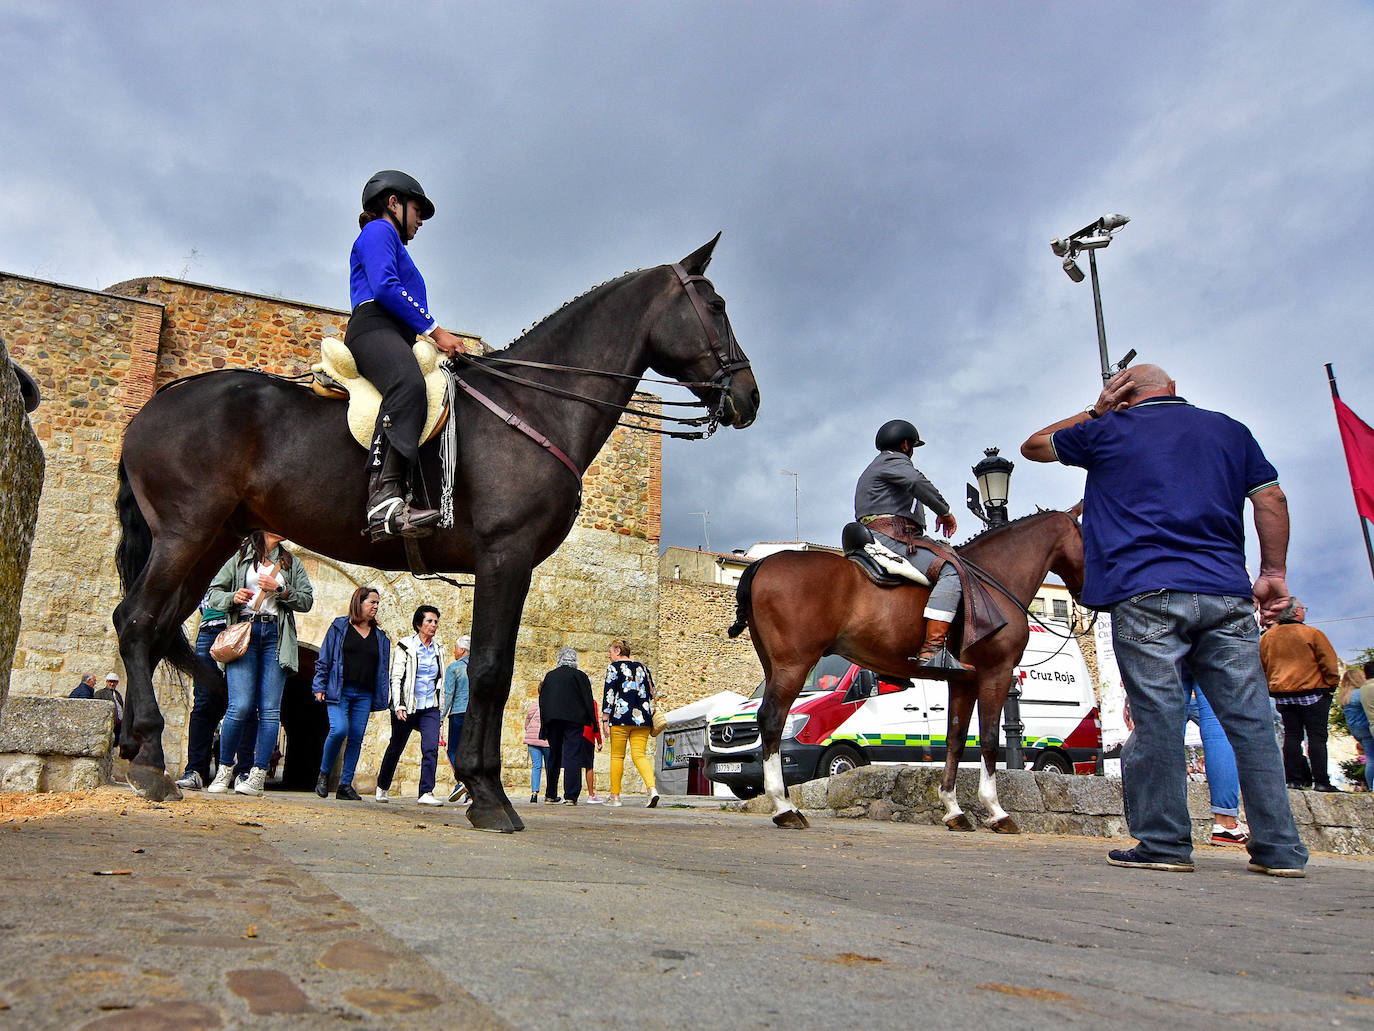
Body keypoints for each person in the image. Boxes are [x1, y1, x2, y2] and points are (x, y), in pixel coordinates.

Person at [1021, 363, 1308, 877]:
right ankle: (1280, 850)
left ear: (1124, 396)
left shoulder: (1108, 429)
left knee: (1158, 719)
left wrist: (1096, 409)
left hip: (1144, 591)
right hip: (1225, 592)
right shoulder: (1230, 430)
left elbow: (1035, 445)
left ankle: (1165, 844)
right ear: (1173, 390)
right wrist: (1273, 572)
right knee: (1252, 722)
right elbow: (1271, 497)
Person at [347, 170, 466, 540]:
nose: (419, 221)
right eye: (417, 210)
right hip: (374, 327)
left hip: (394, 332)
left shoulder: (391, 239)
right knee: (408, 384)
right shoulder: (379, 231)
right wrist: (436, 331)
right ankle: (383, 499)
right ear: (393, 203)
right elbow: (385, 286)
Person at [204, 532, 314, 797]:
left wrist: (281, 590)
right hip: (245, 633)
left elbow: (306, 600)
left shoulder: (291, 562)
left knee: (269, 710)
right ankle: (224, 767)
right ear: (263, 527)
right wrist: (233, 597)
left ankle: (258, 775)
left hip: (276, 636)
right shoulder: (241, 556)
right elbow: (213, 593)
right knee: (239, 706)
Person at [854, 419, 965, 673]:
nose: (912, 450)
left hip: (877, 533)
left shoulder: (875, 466)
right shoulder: (894, 461)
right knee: (951, 570)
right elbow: (917, 483)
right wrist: (945, 511)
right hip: (891, 537)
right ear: (905, 444)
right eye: (912, 446)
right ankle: (933, 649)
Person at [312, 586, 392, 801]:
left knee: (356, 738)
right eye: (372, 602)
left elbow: (383, 670)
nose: (376, 606)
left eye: (377, 603)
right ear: (359, 602)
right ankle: (324, 773)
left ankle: (345, 785)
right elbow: (324, 658)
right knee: (339, 730)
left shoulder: (381, 637)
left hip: (364, 694)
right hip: (339, 690)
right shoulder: (340, 627)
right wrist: (319, 686)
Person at [176, 594, 256, 791]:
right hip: (210, 626)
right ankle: (195, 771)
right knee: (203, 702)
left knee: (244, 703)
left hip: (241, 624)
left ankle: (243, 773)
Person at [1260, 599, 1340, 791]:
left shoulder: (1267, 638)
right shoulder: (1311, 633)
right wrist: (1331, 685)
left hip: (1282, 694)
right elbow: (1328, 663)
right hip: (1313, 691)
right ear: (1296, 612)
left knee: (1292, 735)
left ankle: (1293, 780)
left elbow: (1263, 665)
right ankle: (1321, 781)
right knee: (1317, 737)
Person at [376, 605, 446, 805]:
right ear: (419, 624)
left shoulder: (439, 649)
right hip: (407, 705)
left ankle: (426, 792)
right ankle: (382, 786)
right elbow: (396, 677)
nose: (433, 625)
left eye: (435, 622)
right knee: (396, 746)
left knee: (431, 747)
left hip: (429, 706)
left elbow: (440, 679)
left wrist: (440, 709)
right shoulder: (405, 646)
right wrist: (399, 705)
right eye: (429, 621)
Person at [601, 639, 660, 808]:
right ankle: (652, 790)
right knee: (639, 755)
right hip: (643, 719)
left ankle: (615, 797)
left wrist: (605, 719)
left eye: (611, 652)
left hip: (620, 717)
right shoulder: (643, 668)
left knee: (617, 756)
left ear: (618, 650)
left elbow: (609, 694)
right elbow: (653, 692)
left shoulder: (613, 668)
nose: (609, 655)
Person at [539, 647, 597, 805]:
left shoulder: (550, 676)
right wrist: (594, 724)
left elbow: (543, 701)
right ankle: (571, 796)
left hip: (553, 719)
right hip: (574, 720)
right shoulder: (580, 676)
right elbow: (588, 700)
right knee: (573, 755)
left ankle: (550, 794)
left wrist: (543, 726)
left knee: (554, 755)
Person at [441, 635, 470, 803]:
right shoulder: (478, 668)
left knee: (453, 750)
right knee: (470, 751)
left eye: (455, 648)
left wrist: (441, 716)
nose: (454, 651)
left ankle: (461, 781)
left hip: (458, 713)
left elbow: (448, 694)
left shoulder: (454, 668)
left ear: (462, 650)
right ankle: (470, 793)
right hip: (475, 716)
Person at [1337, 661, 1374, 790]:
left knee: (1370, 759)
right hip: (1367, 728)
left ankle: (1370, 787)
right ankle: (1372, 788)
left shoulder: (1344, 696)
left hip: (1356, 731)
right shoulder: (1360, 693)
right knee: (1372, 760)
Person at [523, 695, 550, 804]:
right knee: (550, 767)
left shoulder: (533, 705)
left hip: (532, 739)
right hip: (546, 740)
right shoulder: (551, 705)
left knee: (536, 766)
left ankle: (534, 793)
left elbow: (527, 724)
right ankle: (550, 793)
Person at [94, 673, 125, 742]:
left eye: (114, 682)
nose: (112, 684)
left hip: (118, 724)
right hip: (107, 724)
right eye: (110, 681)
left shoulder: (117, 694)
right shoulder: (100, 693)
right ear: (106, 682)